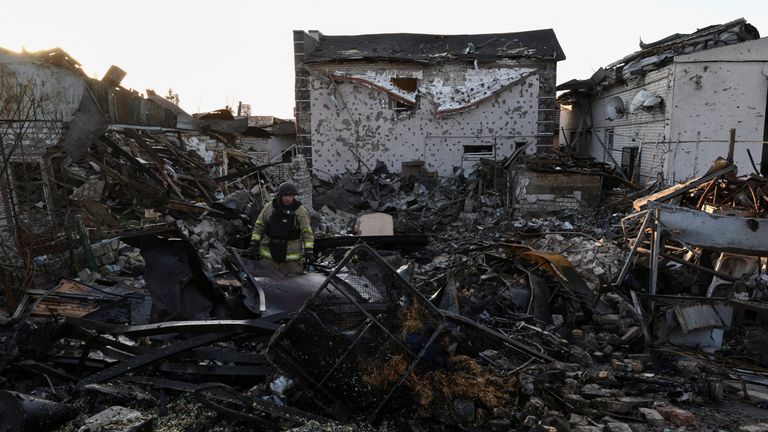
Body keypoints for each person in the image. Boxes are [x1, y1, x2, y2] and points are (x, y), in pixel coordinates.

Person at [248, 182, 314, 274]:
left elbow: (307, 232)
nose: (288, 199)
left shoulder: (300, 211)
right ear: (280, 196)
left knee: (292, 284)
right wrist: (253, 244)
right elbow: (259, 226)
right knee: (266, 282)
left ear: (294, 196)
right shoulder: (270, 207)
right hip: (269, 257)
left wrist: (309, 252)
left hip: (291, 261)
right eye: (285, 196)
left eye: (290, 196)